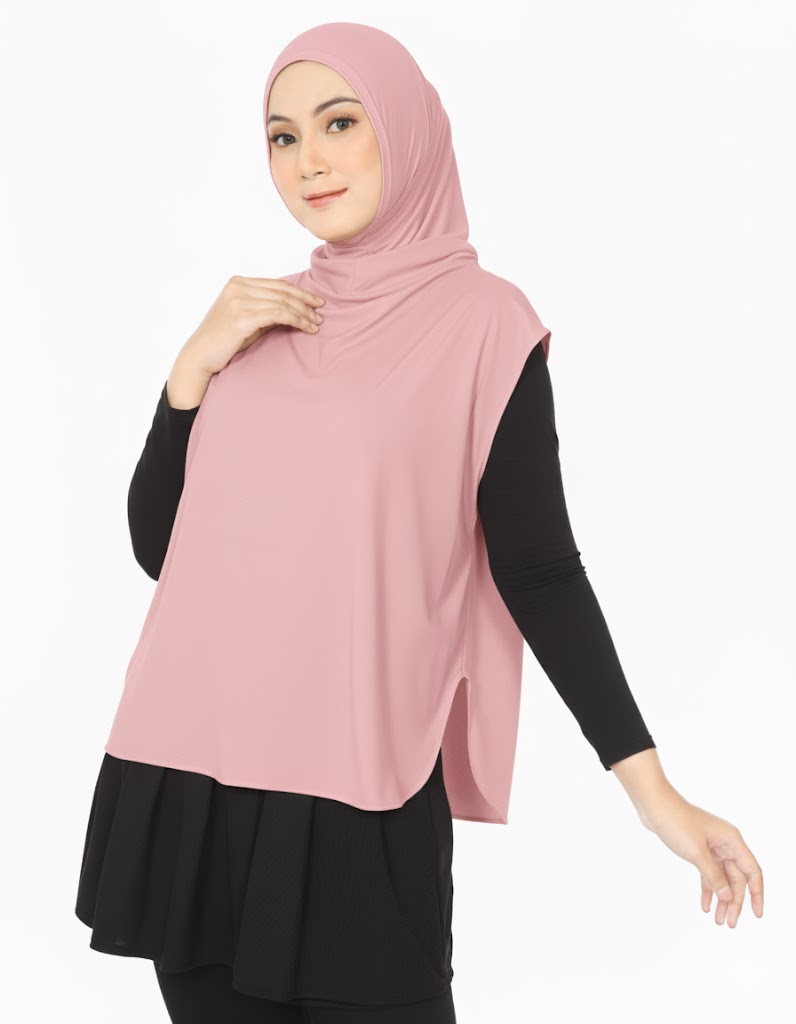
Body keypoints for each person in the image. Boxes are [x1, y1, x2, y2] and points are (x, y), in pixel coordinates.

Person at [74, 21, 764, 1024]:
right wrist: (190, 370)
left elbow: (539, 570)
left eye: (338, 123)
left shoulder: (484, 324)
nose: (308, 160)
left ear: (404, 130)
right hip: (191, 777)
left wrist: (653, 793)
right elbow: (160, 551)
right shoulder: (254, 321)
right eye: (281, 137)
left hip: (361, 785)